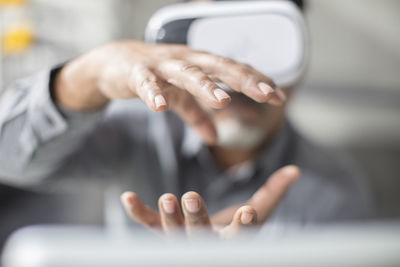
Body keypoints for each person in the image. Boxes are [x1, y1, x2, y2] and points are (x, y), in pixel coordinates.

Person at [0, 1, 373, 238]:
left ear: (301, 63)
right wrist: (88, 75)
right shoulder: (136, 129)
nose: (240, 78)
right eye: (220, 45)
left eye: (268, 45)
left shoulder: (335, 192)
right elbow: (9, 161)